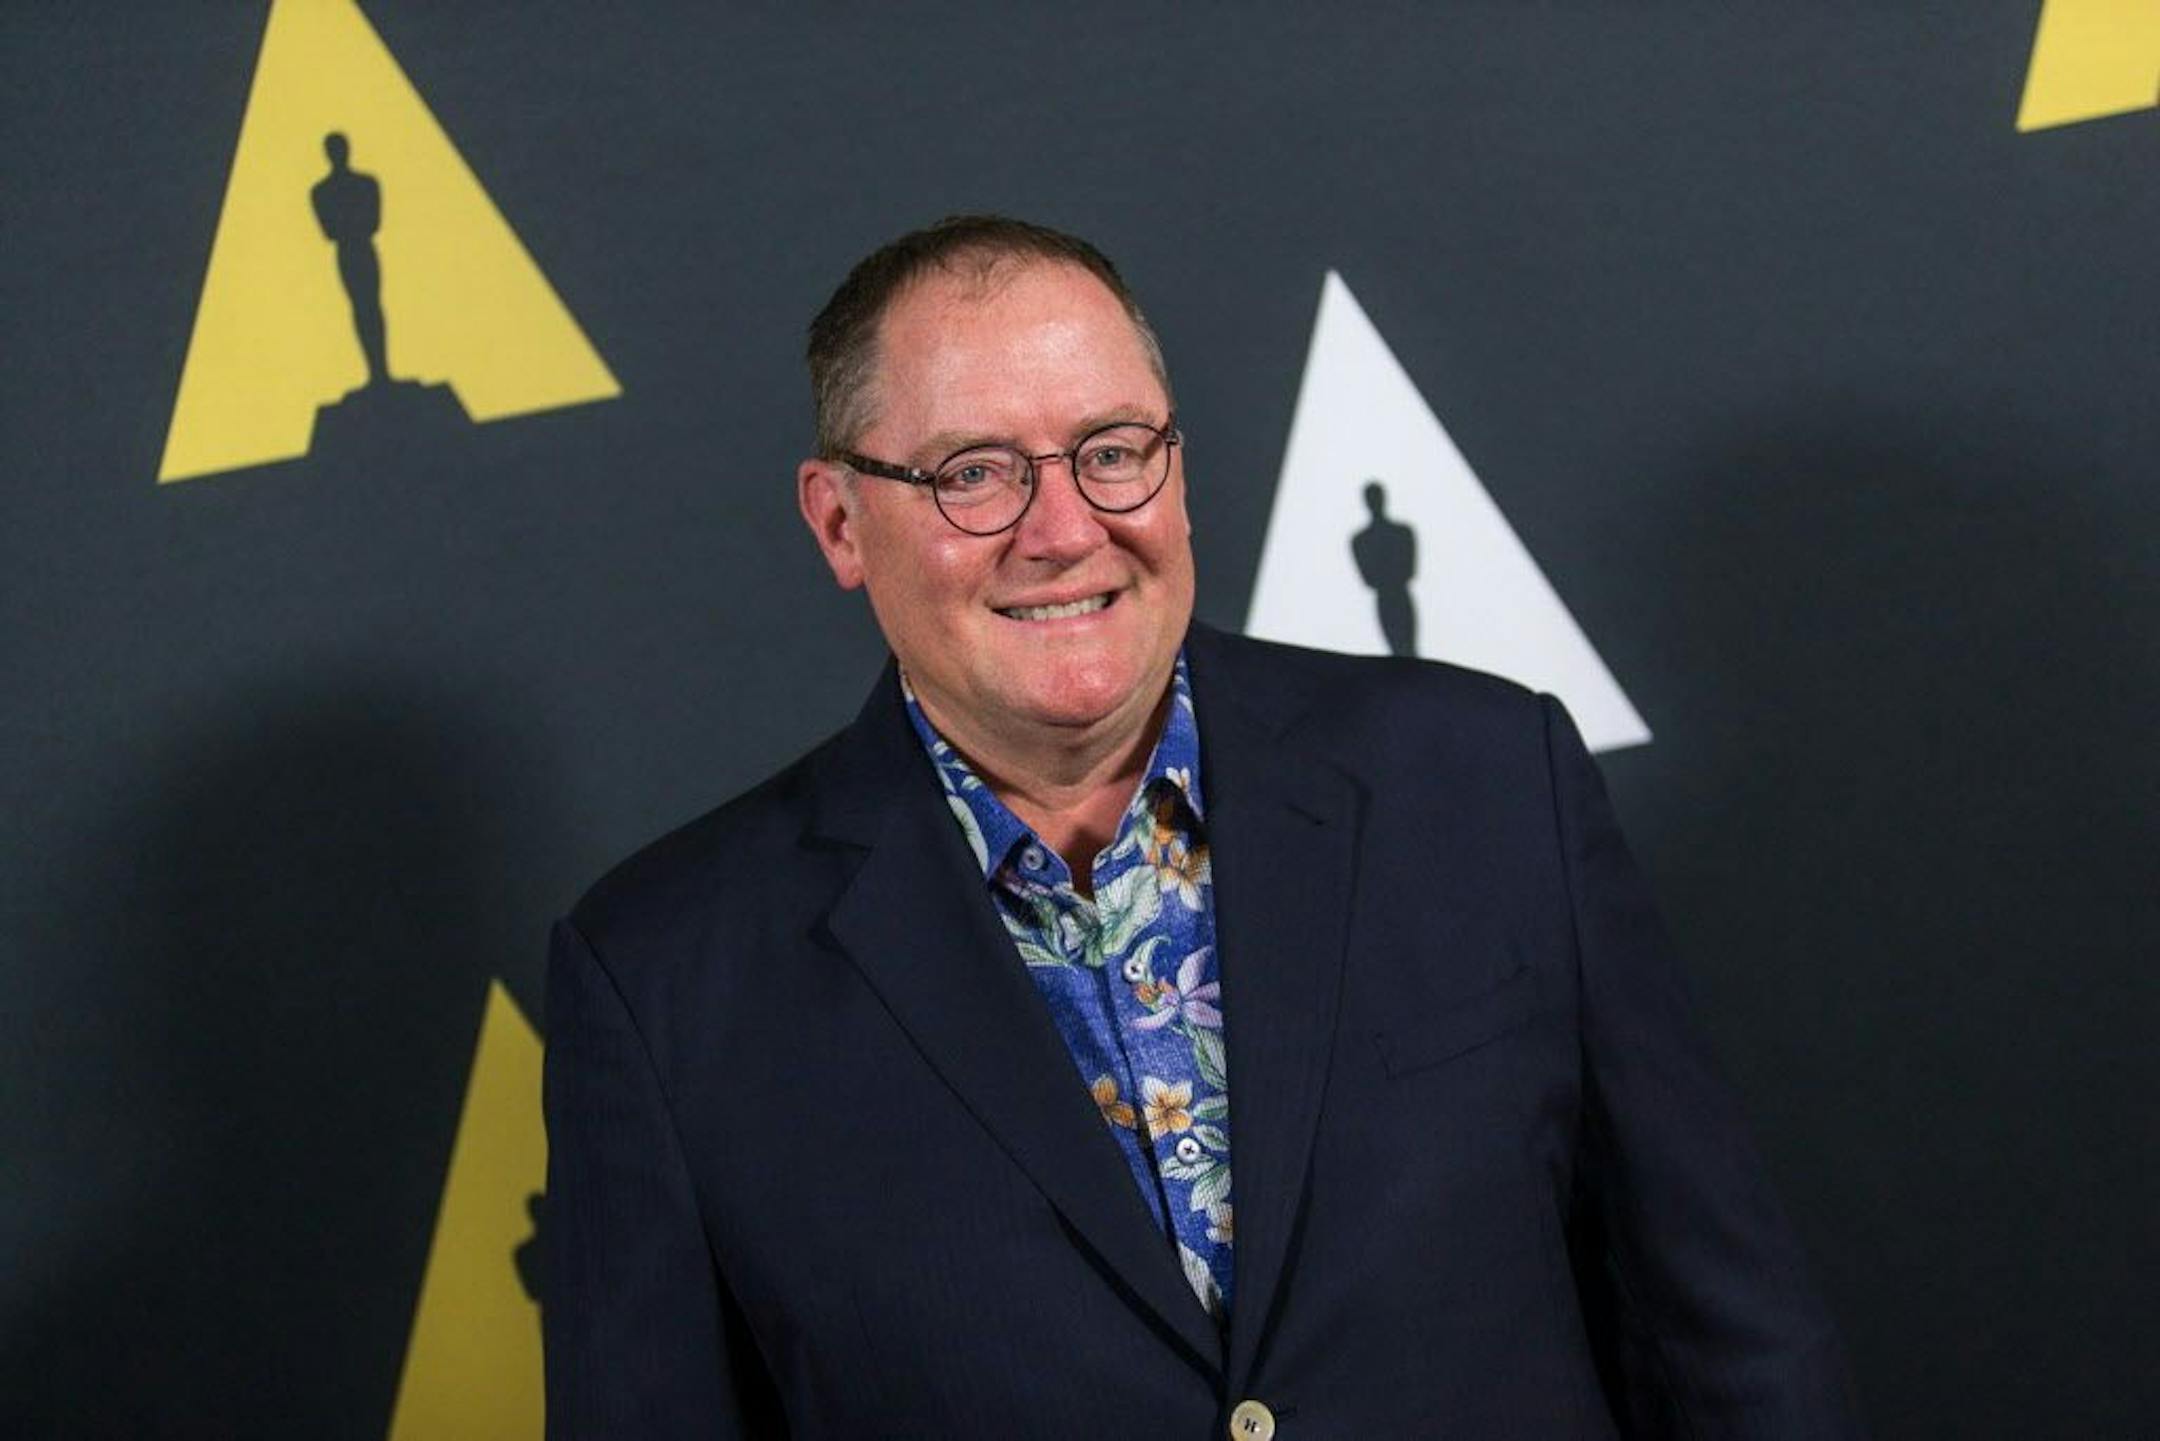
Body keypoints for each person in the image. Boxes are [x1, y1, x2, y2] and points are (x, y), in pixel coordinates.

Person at [542, 216, 1864, 1440]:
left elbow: (1732, 1345)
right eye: (976, 473)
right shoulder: (664, 979)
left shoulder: (1485, 781)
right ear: (840, 519)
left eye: (1113, 450)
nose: (1065, 530)